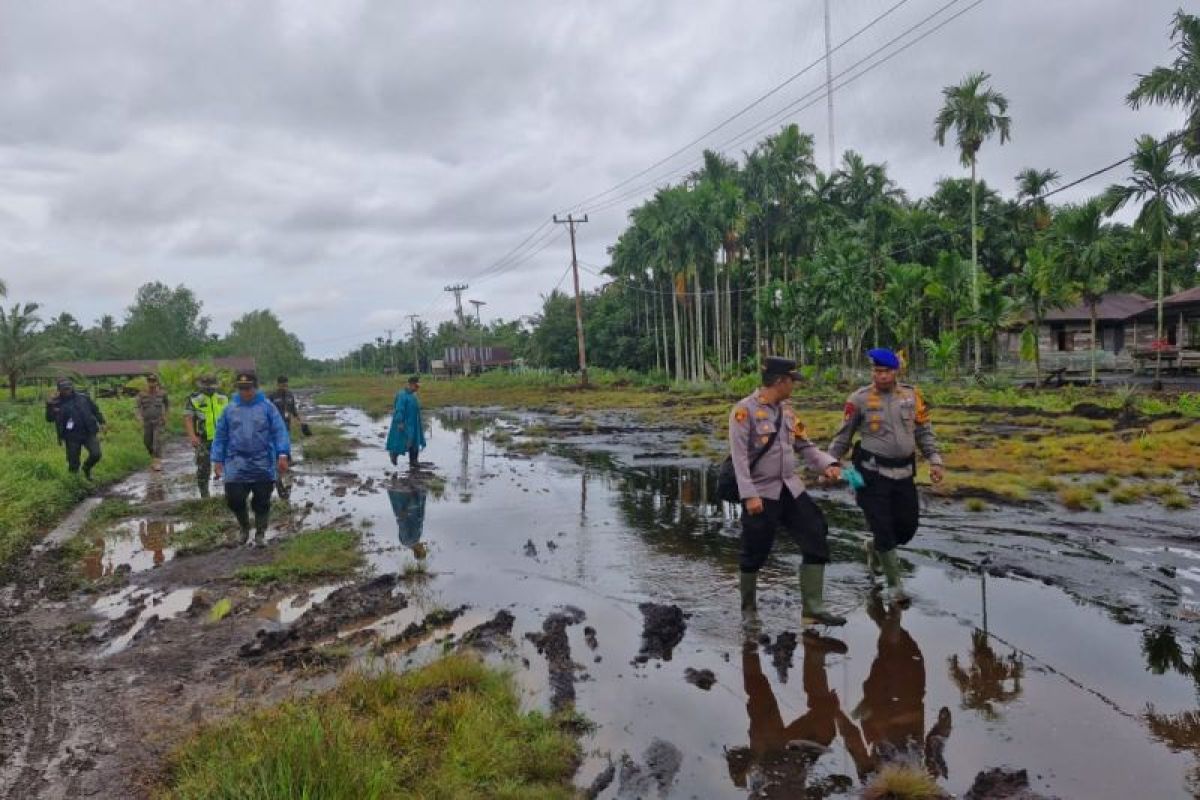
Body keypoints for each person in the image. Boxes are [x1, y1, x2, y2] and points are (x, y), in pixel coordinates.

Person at [730, 356, 844, 628]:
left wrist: (828, 464)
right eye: (793, 381)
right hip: (761, 492)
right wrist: (749, 495)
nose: (795, 386)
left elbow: (806, 446)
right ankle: (749, 610)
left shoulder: (788, 412)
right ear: (780, 381)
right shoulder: (743, 411)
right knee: (754, 550)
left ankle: (813, 608)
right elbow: (739, 458)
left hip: (790, 488)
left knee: (815, 532)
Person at [828, 348, 945, 603]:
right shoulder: (858, 399)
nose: (880, 376)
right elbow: (843, 435)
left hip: (904, 474)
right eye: (876, 371)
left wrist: (935, 460)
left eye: (886, 371)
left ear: (896, 371)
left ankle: (874, 547)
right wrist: (831, 463)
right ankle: (895, 586)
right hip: (871, 474)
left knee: (906, 528)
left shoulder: (912, 396)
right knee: (883, 527)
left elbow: (924, 431)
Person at [726, 637, 870, 796]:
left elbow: (748, 783)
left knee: (760, 695)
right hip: (793, 754)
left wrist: (740, 771)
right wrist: (830, 785)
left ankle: (749, 642)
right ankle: (815, 653)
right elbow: (816, 791)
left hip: (766, 751)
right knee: (825, 724)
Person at [210, 372, 291, 545]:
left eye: (248, 388)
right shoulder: (230, 409)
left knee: (262, 499)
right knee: (234, 498)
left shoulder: (267, 407)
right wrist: (217, 459)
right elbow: (221, 436)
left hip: (262, 461)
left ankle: (260, 532)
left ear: (256, 387)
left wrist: (282, 454)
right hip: (236, 462)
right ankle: (244, 528)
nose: (245, 392)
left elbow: (279, 431)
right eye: (241, 388)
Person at [45, 379, 105, 480]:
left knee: (96, 454)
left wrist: (102, 422)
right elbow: (49, 419)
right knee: (73, 462)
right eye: (64, 389)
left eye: (68, 388)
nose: (67, 391)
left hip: (88, 432)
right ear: (59, 390)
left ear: (72, 387)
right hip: (71, 435)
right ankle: (74, 482)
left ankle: (86, 468)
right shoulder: (56, 402)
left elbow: (95, 410)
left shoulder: (83, 398)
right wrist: (49, 406)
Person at [184, 375, 228, 498]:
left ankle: (230, 494)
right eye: (206, 387)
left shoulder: (223, 397)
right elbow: (188, 418)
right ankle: (204, 495)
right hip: (203, 439)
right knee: (203, 467)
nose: (209, 389)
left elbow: (231, 416)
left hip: (222, 438)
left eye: (212, 387)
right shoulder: (194, 399)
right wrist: (192, 436)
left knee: (228, 466)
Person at [268, 375, 308, 499]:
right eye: (282, 385)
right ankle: (277, 478)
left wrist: (302, 423)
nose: (284, 387)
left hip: (286, 428)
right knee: (277, 452)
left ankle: (286, 480)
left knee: (286, 451)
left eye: (286, 385)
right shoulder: (272, 397)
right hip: (274, 429)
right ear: (278, 384)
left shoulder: (290, 396)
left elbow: (294, 410)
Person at [386, 375, 426, 469]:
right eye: (416, 386)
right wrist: (400, 422)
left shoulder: (413, 395)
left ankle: (414, 461)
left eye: (418, 386)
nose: (417, 388)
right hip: (405, 423)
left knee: (415, 441)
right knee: (403, 440)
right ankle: (394, 454)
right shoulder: (402, 395)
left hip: (414, 423)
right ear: (411, 385)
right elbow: (399, 409)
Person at [135, 373, 170, 471]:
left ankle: (157, 462)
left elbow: (167, 405)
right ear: (147, 382)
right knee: (147, 442)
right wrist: (139, 417)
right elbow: (137, 407)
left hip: (159, 421)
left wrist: (166, 416)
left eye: (153, 381)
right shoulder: (142, 394)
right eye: (150, 381)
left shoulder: (162, 393)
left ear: (157, 382)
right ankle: (153, 457)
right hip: (147, 422)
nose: (152, 383)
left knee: (157, 441)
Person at [388, 483, 429, 561]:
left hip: (408, 508)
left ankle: (398, 485)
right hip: (414, 509)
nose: (424, 548)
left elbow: (402, 525)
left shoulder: (408, 541)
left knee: (402, 491)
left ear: (418, 551)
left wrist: (404, 512)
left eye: (423, 550)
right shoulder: (414, 540)